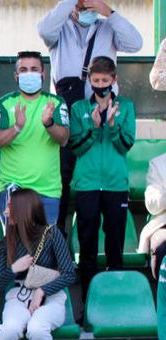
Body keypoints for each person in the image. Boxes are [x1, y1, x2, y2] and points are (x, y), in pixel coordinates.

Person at [38, 0, 142, 221]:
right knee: (62, 179)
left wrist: (108, 12)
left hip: (102, 117)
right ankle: (57, 238)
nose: (85, 7)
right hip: (66, 118)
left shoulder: (107, 28)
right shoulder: (59, 29)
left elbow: (135, 43)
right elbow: (44, 29)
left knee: (95, 185)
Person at [69, 56, 134, 300]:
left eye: (105, 80)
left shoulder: (125, 106)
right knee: (87, 246)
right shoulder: (78, 109)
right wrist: (95, 128)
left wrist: (112, 125)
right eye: (96, 80)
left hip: (116, 185)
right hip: (87, 185)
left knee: (115, 244)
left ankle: (114, 300)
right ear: (89, 80)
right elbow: (76, 147)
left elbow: (126, 145)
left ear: (114, 80)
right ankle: (88, 302)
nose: (100, 84)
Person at [0, 189, 76, 340]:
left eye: (9, 207)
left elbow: (69, 273)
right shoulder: (6, 242)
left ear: (24, 210)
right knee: (9, 329)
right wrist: (14, 268)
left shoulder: (51, 234)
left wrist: (43, 290)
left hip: (50, 297)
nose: (5, 212)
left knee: (37, 329)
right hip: (18, 295)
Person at [0, 52, 70, 226]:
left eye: (34, 69)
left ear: (43, 74)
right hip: (14, 191)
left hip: (48, 191)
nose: (29, 73)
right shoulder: (4, 103)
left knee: (44, 250)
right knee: (16, 250)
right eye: (23, 70)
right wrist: (17, 127)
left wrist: (49, 123)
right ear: (16, 76)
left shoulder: (55, 102)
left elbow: (63, 139)